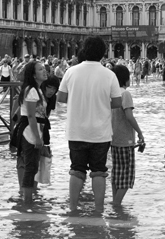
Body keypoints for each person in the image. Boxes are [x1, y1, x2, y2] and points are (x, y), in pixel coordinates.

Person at [57, 36, 122, 213]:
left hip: (76, 130)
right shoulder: (109, 74)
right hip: (100, 132)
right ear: (103, 53)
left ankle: (72, 208)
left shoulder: (71, 72)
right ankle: (99, 210)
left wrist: (77, 101)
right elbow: (117, 102)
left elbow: (61, 98)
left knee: (76, 170)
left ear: (84, 50)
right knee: (99, 171)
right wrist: (100, 103)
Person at [12, 61, 49, 204]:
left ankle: (27, 199)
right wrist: (37, 138)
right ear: (33, 75)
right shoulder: (32, 90)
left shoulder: (36, 89)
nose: (44, 71)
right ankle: (27, 201)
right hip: (29, 131)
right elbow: (31, 116)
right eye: (40, 69)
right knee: (30, 167)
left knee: (32, 166)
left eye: (44, 69)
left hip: (33, 129)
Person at [110, 65, 144, 206]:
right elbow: (129, 116)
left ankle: (115, 203)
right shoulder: (125, 94)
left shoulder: (111, 93)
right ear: (125, 79)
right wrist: (140, 133)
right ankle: (117, 204)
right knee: (127, 176)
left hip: (112, 139)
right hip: (125, 140)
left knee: (116, 174)